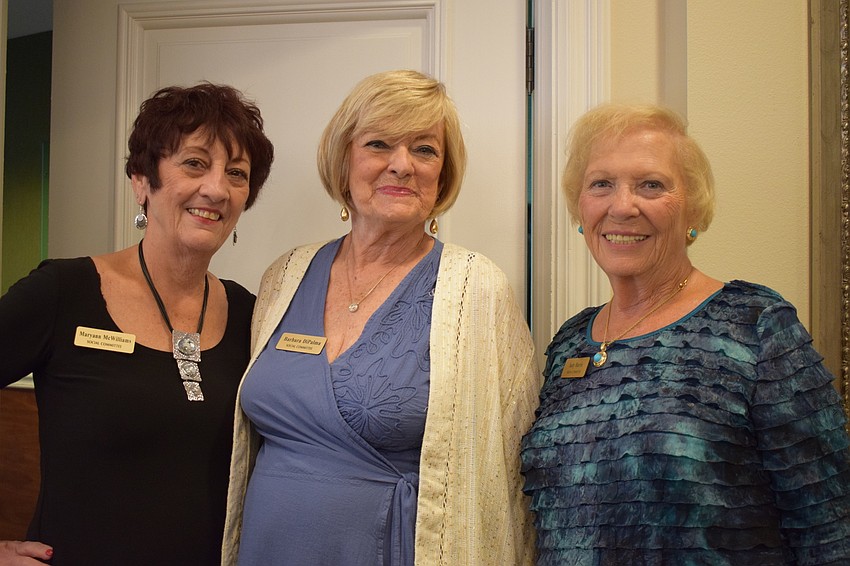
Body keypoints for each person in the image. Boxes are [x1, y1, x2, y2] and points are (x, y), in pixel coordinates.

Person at [221, 69, 539, 565]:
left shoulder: (476, 287)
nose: (402, 165)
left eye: (424, 149)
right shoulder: (284, 276)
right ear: (343, 160)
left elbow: (506, 468)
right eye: (379, 144)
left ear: (443, 173)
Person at [520, 103, 850, 564]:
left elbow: (828, 525)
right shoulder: (570, 342)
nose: (622, 206)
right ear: (580, 207)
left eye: (650, 185)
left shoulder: (755, 324)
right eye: (601, 184)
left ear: (693, 205)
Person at [0, 82, 274, 565]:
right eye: (194, 163)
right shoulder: (63, 293)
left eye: (236, 173)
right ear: (142, 180)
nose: (216, 188)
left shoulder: (253, 314)